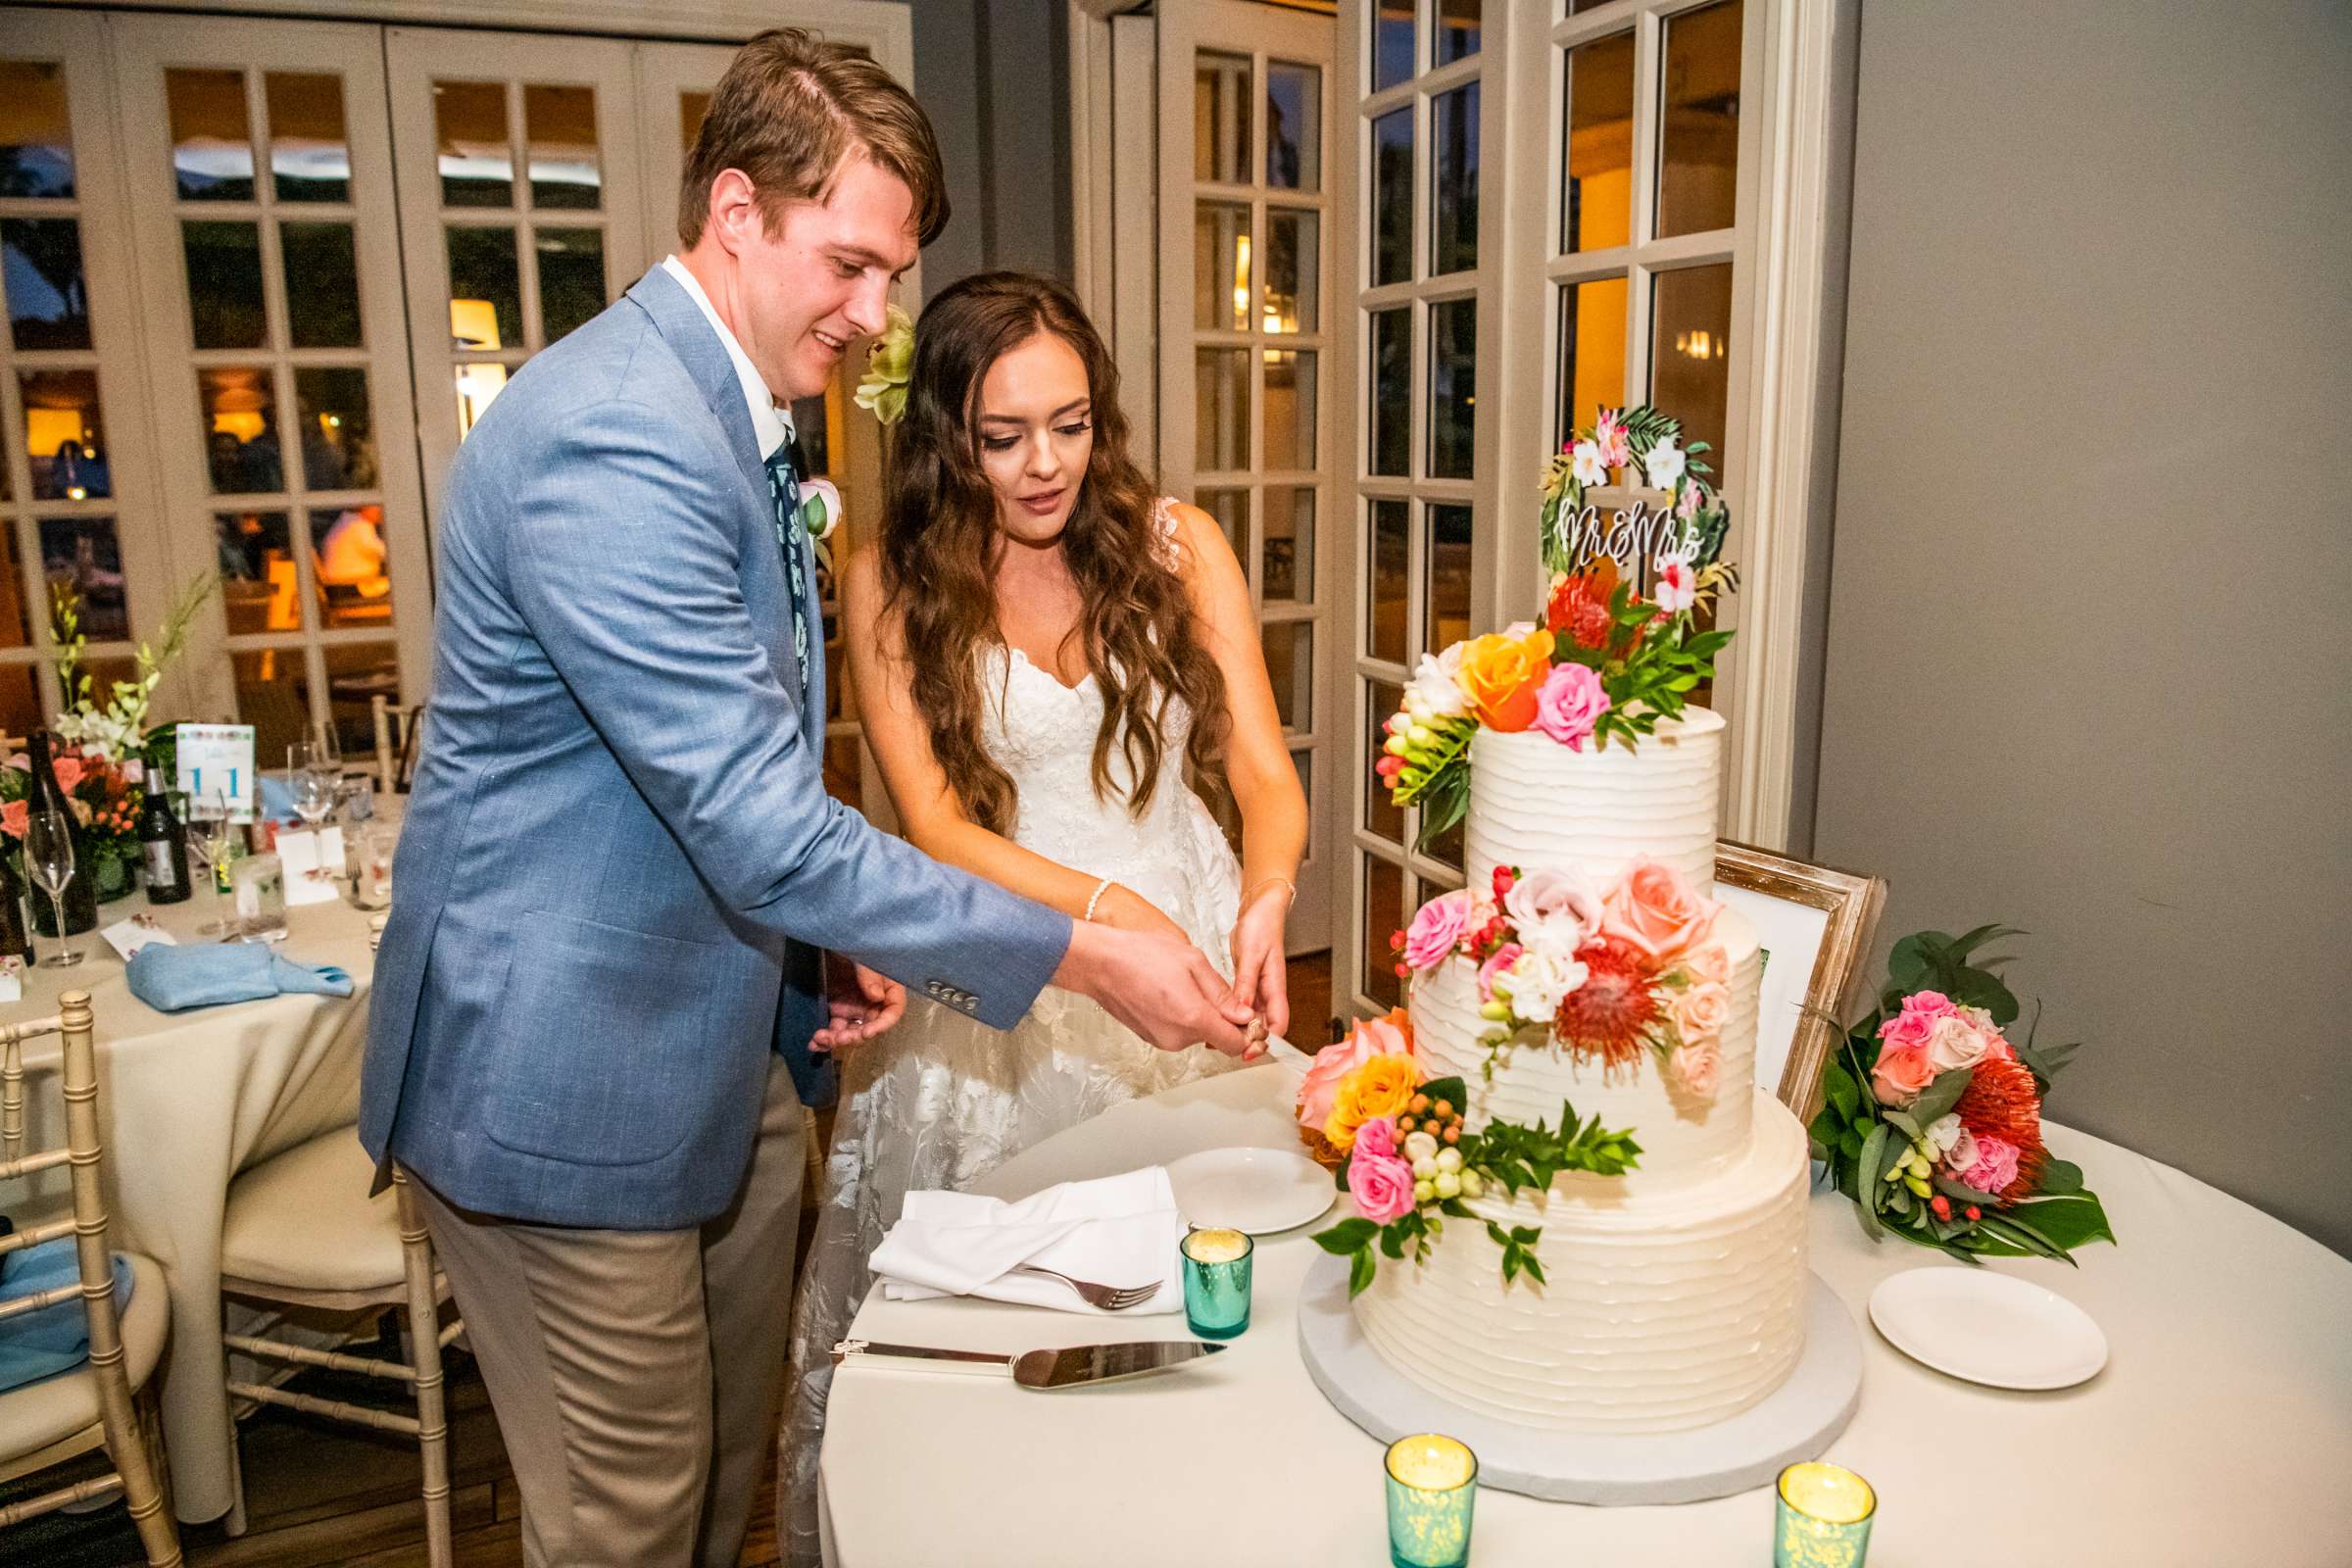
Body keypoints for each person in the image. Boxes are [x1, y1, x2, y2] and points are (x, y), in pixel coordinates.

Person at [358, 33, 1257, 1568]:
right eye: (849, 265)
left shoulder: (732, 410)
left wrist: (818, 950)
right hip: (565, 1086)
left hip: (717, 1058)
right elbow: (761, 825)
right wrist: (1092, 952)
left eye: (893, 274)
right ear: (734, 211)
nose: (875, 315)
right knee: (628, 1526)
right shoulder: (618, 433)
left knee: (715, 1503)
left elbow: (733, 776)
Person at [778, 271, 1309, 1562]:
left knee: (1212, 1319)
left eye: (1068, 425)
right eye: (1003, 436)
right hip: (1006, 977)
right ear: (949, 436)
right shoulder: (890, 580)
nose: (1041, 465)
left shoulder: (1180, 546)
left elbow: (1260, 772)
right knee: (1005, 1351)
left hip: (1187, 968)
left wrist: (1270, 893)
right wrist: (1114, 912)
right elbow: (938, 828)